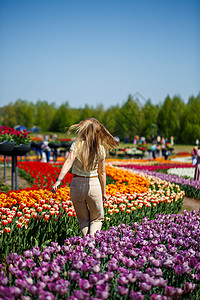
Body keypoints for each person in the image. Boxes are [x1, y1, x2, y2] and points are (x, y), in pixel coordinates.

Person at [51, 118, 119, 237]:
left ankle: (86, 245)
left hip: (76, 185)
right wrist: (104, 193)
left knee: (83, 220)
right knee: (97, 219)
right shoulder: (100, 148)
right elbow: (102, 173)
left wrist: (58, 180)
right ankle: (91, 243)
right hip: (93, 184)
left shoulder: (76, 145)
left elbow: (68, 162)